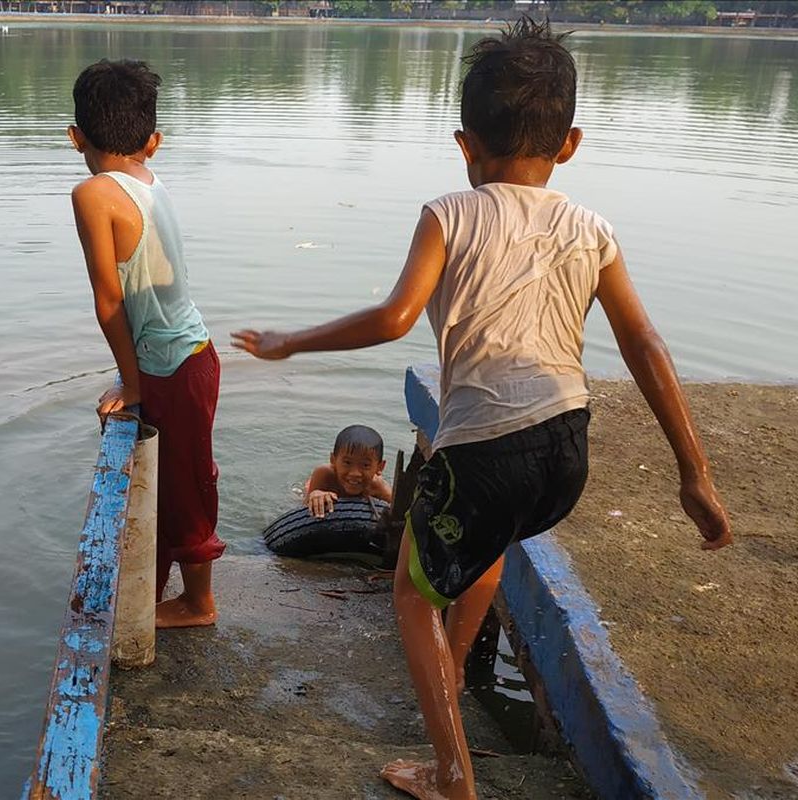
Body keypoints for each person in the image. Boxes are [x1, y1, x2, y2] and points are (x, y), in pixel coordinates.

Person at [232, 18, 732, 800]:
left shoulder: (449, 213)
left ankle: (451, 775)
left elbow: (397, 318)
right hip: (567, 443)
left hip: (486, 446)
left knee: (408, 591)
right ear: (569, 145)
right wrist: (694, 473)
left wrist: (293, 340)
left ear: (465, 144)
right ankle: (452, 694)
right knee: (490, 548)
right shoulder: (592, 228)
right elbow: (647, 345)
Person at [68, 59, 225, 629]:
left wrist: (131, 381)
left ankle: (198, 603)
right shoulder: (149, 181)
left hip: (171, 368)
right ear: (153, 143)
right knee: (177, 476)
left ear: (75, 136)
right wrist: (134, 377)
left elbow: (110, 301)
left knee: (181, 485)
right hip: (191, 356)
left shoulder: (92, 194)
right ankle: (158, 589)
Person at [305, 425, 392, 518]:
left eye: (365, 465)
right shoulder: (324, 475)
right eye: (347, 462)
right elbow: (304, 510)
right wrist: (316, 494)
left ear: (380, 467)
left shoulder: (379, 488)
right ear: (333, 460)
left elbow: (399, 514)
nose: (355, 473)